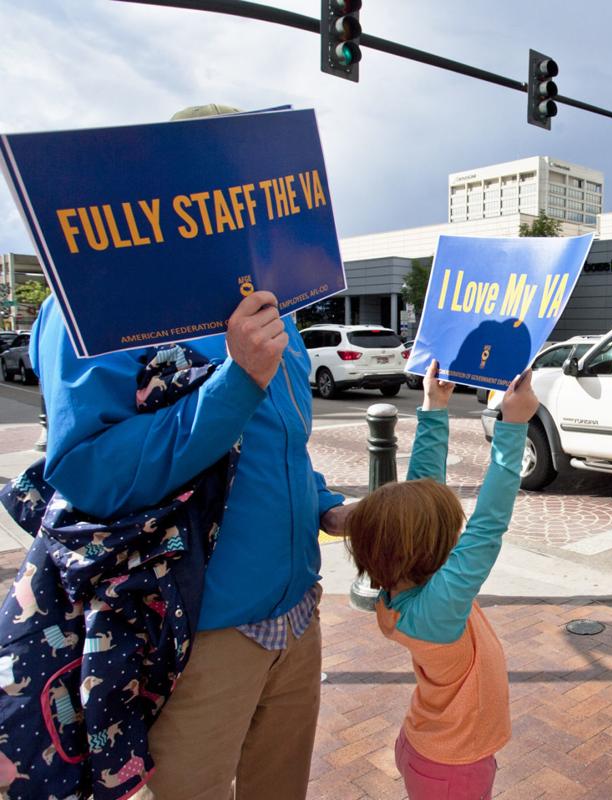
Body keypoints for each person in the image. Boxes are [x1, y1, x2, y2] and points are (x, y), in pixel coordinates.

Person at [30, 103, 348, 799]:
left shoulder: (273, 300)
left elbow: (279, 446)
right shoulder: (92, 295)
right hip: (199, 637)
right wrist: (235, 383)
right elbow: (89, 472)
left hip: (299, 618)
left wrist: (330, 508)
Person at [346, 360, 536, 800]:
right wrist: (512, 428)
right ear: (429, 548)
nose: (457, 533)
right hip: (452, 764)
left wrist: (434, 406)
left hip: (437, 749)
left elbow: (420, 494)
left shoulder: (403, 587)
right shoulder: (436, 610)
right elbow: (487, 528)